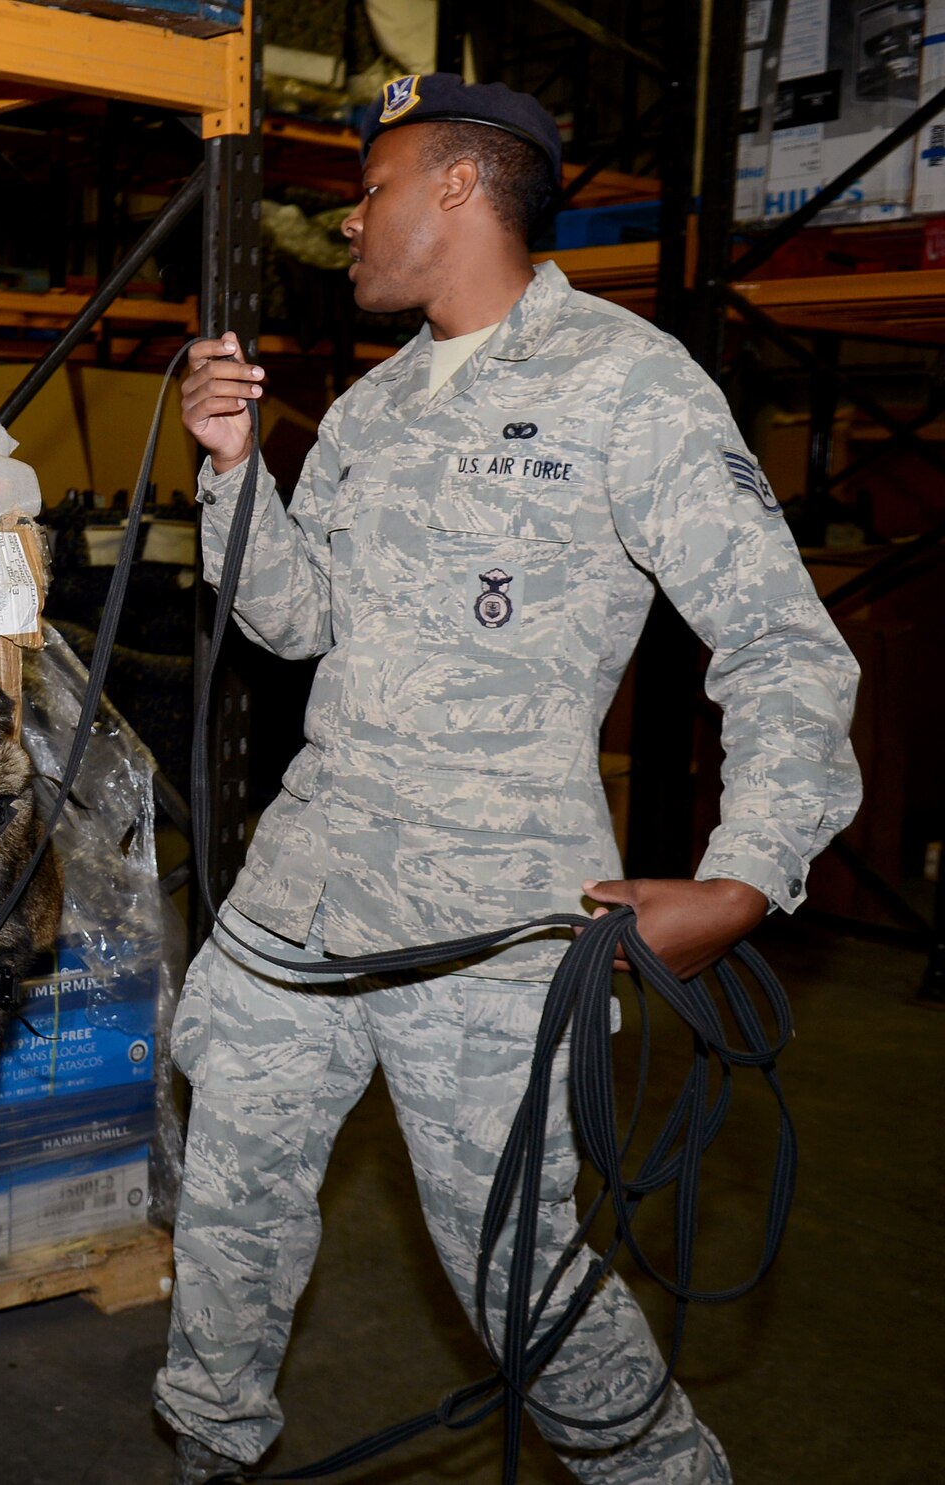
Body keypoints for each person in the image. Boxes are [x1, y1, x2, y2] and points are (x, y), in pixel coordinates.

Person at [155, 73, 862, 1485]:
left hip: (490, 926)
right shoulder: (373, 405)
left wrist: (747, 868)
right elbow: (295, 621)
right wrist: (233, 470)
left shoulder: (631, 387)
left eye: (372, 189)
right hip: (304, 903)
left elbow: (785, 643)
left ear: (461, 187)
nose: (349, 219)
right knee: (225, 1218)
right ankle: (210, 1454)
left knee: (515, 1274)